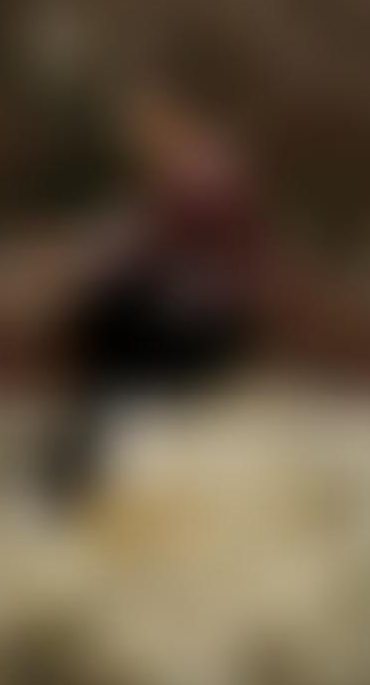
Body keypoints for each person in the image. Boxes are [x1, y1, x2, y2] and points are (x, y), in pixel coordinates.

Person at [44, 76, 267, 500]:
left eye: (148, 125)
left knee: (109, 319)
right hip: (181, 312)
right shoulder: (183, 175)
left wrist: (82, 263)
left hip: (201, 324)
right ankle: (89, 446)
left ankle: (90, 456)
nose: (139, 139)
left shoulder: (204, 176)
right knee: (103, 316)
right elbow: (129, 238)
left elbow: (147, 249)